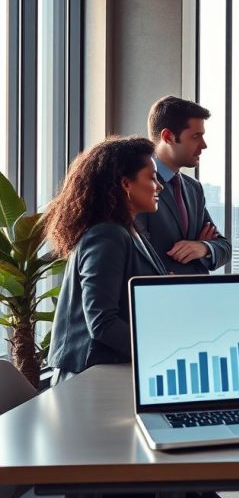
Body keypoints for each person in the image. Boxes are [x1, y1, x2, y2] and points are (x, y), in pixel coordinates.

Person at [47, 137, 168, 385]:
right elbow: (103, 323)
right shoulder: (106, 235)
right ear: (126, 184)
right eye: (152, 177)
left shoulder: (127, 231)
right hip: (88, 379)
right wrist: (159, 350)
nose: (159, 186)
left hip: (110, 370)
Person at [135, 95, 231, 274]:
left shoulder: (193, 188)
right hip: (158, 297)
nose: (204, 145)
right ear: (168, 136)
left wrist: (202, 247)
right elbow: (140, 255)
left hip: (196, 297)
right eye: (196, 136)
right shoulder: (137, 186)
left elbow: (224, 247)